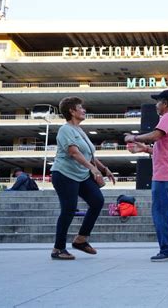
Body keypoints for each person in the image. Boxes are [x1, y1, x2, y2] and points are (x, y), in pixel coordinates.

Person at [50, 96, 115, 260]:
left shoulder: (79, 130)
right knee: (69, 209)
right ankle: (58, 248)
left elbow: (89, 154)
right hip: (64, 174)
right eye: (81, 107)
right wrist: (93, 169)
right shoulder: (65, 129)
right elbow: (74, 152)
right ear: (72, 111)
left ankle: (81, 239)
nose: (84, 110)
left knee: (97, 201)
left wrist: (104, 169)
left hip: (81, 174)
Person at [125, 89, 168, 262]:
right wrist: (145, 149)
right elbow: (167, 150)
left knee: (161, 213)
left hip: (165, 176)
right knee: (166, 213)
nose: (156, 105)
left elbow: (156, 135)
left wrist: (134, 137)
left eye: (158, 101)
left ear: (165, 103)